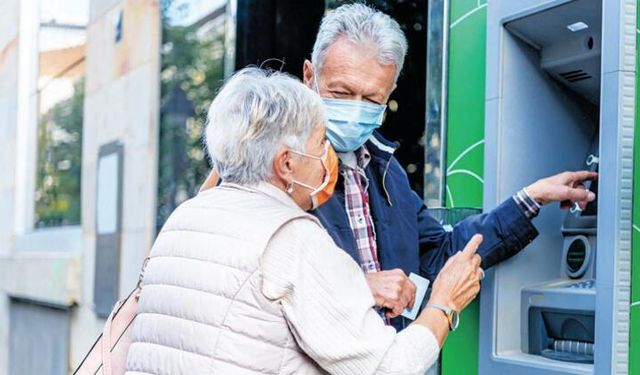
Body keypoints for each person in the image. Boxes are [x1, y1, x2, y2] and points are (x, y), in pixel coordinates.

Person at [200, 3, 598, 331]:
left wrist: (530, 199)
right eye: (341, 93)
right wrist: (358, 287)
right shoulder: (264, 161)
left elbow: (438, 251)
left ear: (390, 92)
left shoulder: (386, 171)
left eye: (371, 99)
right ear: (309, 76)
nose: (355, 107)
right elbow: (226, 278)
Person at [125, 68, 484, 375]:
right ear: (286, 164)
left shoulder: (185, 217)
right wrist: (445, 302)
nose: (329, 156)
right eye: (320, 143)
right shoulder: (292, 236)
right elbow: (388, 368)